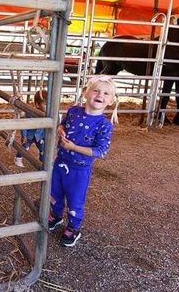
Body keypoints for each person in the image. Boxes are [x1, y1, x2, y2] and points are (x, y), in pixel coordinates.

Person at [49, 75, 118, 247]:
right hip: (60, 162)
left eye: (106, 93)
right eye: (95, 90)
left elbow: (100, 151)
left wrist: (73, 148)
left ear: (110, 101)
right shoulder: (73, 111)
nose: (99, 95)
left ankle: (73, 227)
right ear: (86, 93)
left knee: (75, 199)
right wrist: (60, 129)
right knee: (54, 192)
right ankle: (56, 216)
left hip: (80, 170)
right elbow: (62, 124)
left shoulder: (104, 125)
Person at [14, 90, 48, 168]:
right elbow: (25, 125)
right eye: (45, 104)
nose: (48, 107)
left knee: (43, 149)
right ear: (37, 104)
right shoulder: (30, 113)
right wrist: (24, 135)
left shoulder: (48, 115)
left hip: (40, 136)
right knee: (25, 147)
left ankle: (43, 161)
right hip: (30, 135)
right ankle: (18, 158)